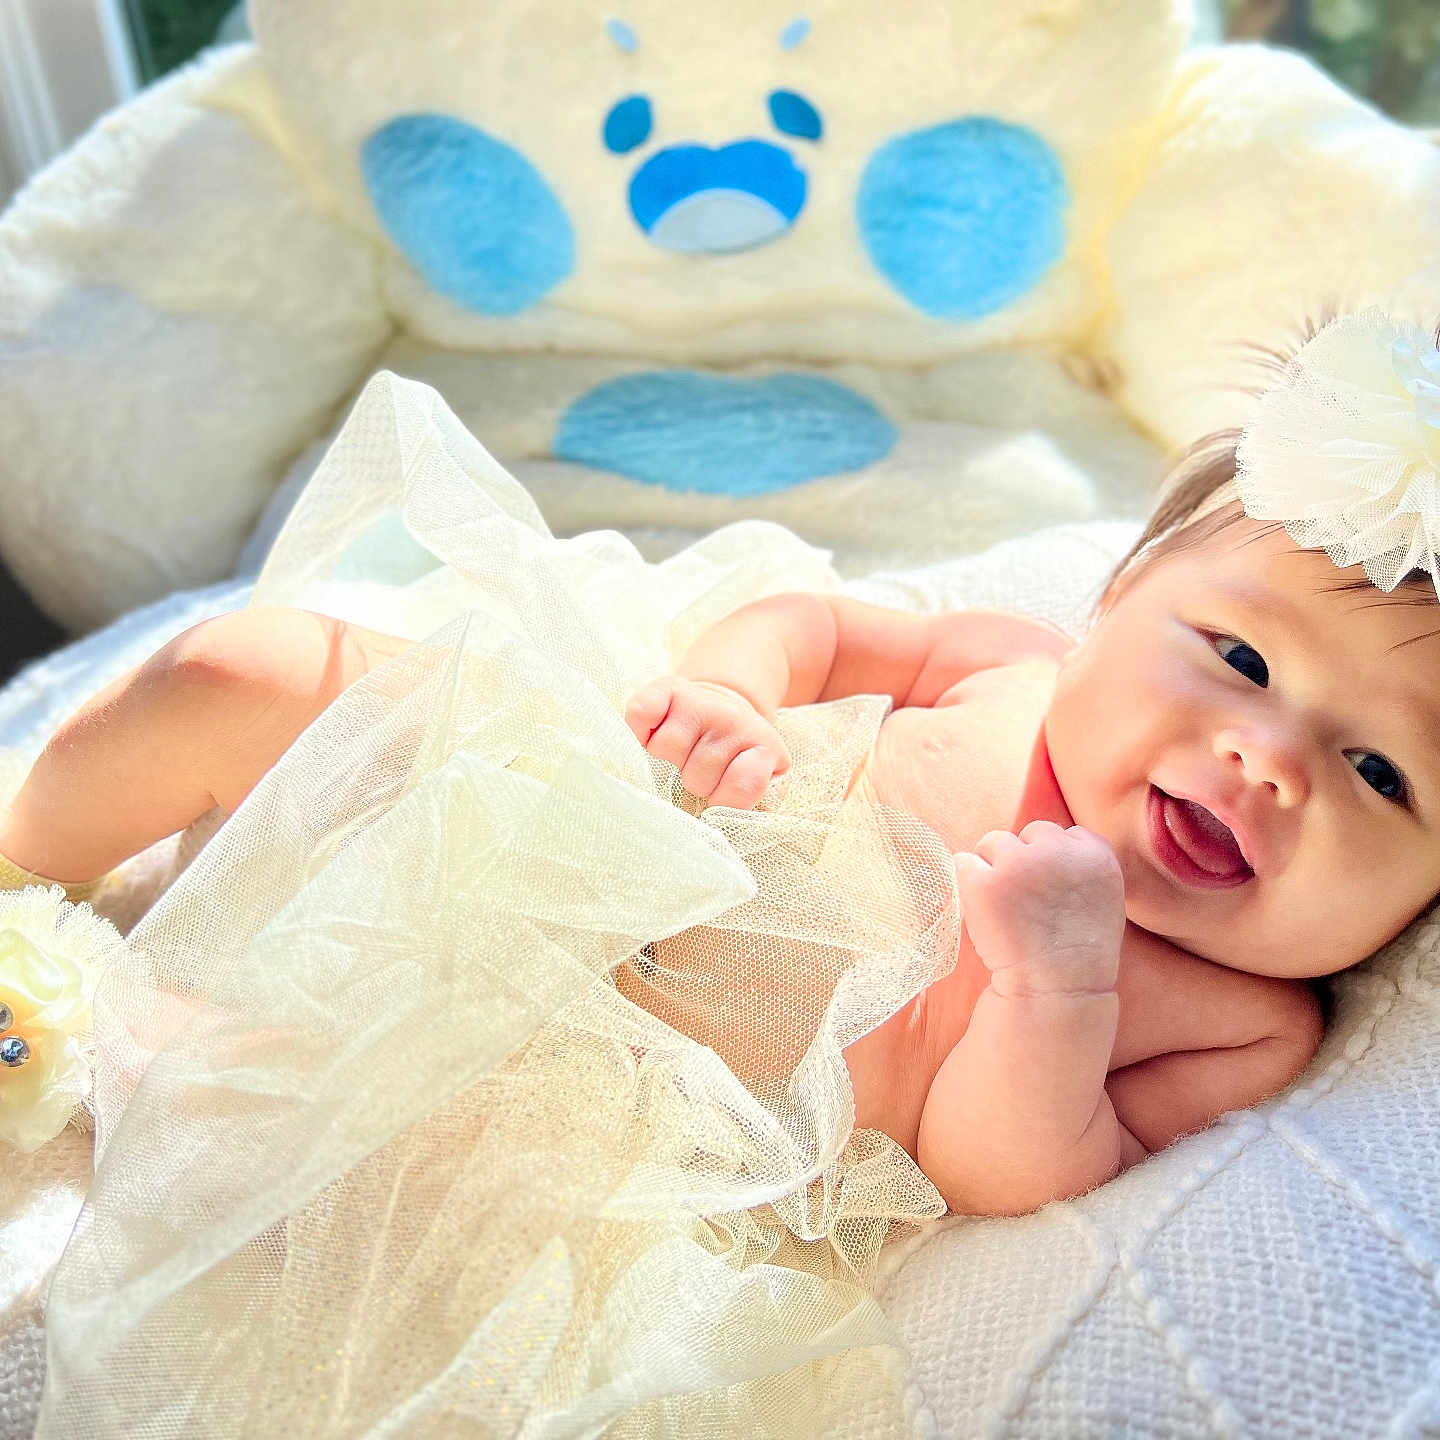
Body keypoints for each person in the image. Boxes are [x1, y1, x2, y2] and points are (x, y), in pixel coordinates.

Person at [0, 309, 1434, 1221]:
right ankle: (23, 863)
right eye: (1241, 661)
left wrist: (1059, 989)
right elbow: (810, 622)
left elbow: (1007, 1175)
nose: (1269, 761)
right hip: (554, 801)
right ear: (1117, 604)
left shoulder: (1244, 1024)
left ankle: (102, 1037)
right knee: (233, 673)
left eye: (1383, 775)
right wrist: (731, 691)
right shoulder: (1015, 668)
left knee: (246, 1134)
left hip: (589, 1081)